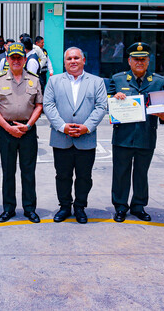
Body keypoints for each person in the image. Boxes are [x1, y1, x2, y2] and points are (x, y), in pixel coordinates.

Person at [43, 47, 108, 224]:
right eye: (69, 58)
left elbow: (101, 106)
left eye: (76, 58)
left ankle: (80, 207)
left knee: (84, 177)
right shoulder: (54, 81)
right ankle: (64, 206)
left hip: (86, 138)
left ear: (83, 60)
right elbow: (48, 105)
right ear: (64, 62)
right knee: (62, 175)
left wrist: (86, 127)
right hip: (61, 137)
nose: (73, 61)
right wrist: (62, 126)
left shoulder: (96, 82)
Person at [109, 42, 164, 223]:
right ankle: (120, 207)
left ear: (148, 61)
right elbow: (108, 103)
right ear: (129, 61)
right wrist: (115, 98)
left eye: (143, 59)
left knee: (141, 173)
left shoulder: (158, 81)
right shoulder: (118, 79)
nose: (139, 62)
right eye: (136, 59)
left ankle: (138, 206)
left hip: (146, 135)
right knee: (120, 173)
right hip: (123, 137)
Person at [0, 42, 43, 223]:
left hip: (28, 130)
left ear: (25, 59)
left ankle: (29, 209)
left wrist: (27, 126)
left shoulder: (34, 79)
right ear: (8, 60)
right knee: (8, 172)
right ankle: (8, 209)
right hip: (6, 131)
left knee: (28, 172)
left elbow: (39, 106)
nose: (16, 61)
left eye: (20, 57)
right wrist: (7, 127)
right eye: (13, 58)